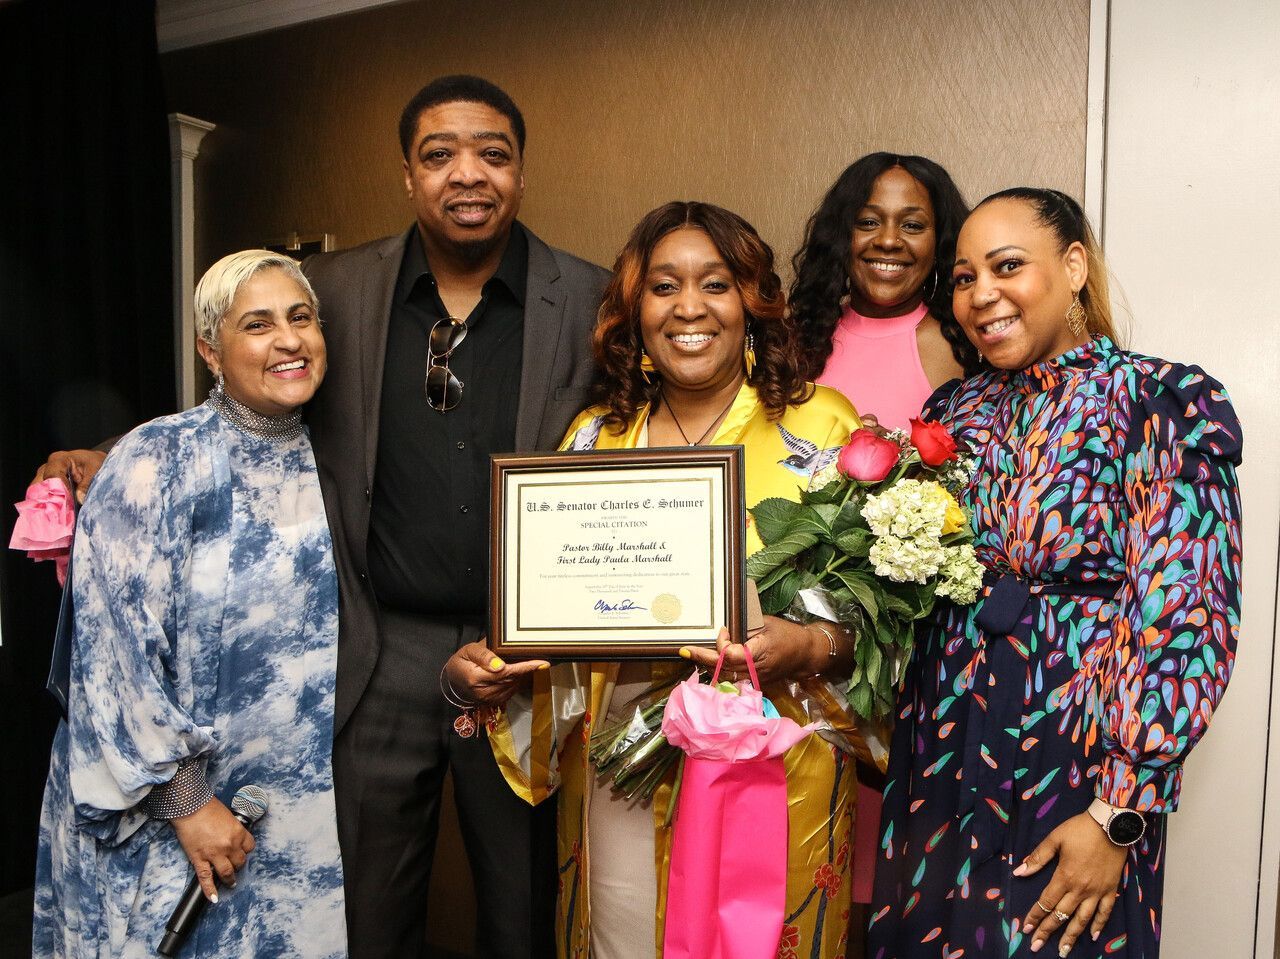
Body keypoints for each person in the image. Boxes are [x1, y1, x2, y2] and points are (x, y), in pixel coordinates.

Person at [34, 75, 609, 959]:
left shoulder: (592, 297)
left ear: (522, 171)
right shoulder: (336, 287)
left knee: (527, 904)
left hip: (520, 654)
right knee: (361, 911)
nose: (468, 173)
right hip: (369, 650)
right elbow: (250, 382)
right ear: (407, 174)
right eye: (439, 154)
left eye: (493, 153)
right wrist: (111, 450)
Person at [447, 201, 882, 959]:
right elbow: (555, 604)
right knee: (621, 934)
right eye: (663, 286)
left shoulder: (825, 430)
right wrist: (492, 670)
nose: (689, 307)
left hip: (775, 768)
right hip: (618, 762)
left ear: (753, 303)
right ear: (634, 310)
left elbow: (887, 627)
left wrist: (809, 646)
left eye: (716, 284)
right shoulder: (592, 437)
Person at [868, 188, 1242, 958]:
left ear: (1073, 266)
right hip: (941, 755)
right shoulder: (957, 412)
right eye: (964, 278)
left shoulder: (1157, 403)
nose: (982, 296)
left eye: (1008, 267)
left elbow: (1185, 615)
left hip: (1072, 764)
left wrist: (1119, 813)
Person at [33, 250, 346, 958]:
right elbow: (112, 653)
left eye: (301, 317)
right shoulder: (155, 459)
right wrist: (187, 803)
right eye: (257, 324)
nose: (289, 340)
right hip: (169, 815)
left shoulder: (335, 460)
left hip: (294, 818)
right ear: (211, 348)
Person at [790, 153, 980, 430]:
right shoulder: (794, 341)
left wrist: (897, 454)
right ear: (840, 236)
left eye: (912, 225)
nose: (889, 240)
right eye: (868, 222)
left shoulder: (964, 347)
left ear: (940, 242)